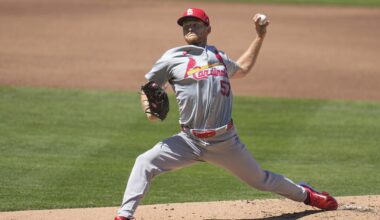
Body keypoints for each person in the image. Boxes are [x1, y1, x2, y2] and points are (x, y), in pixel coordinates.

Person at [114, 8, 338, 220]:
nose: (189, 27)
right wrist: (148, 110)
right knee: (144, 162)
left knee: (261, 180)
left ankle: (307, 195)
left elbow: (242, 69)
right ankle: (124, 215)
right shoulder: (172, 57)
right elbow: (149, 88)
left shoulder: (219, 56)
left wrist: (260, 37)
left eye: (195, 24)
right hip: (188, 140)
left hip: (225, 142)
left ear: (208, 29)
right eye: (186, 25)